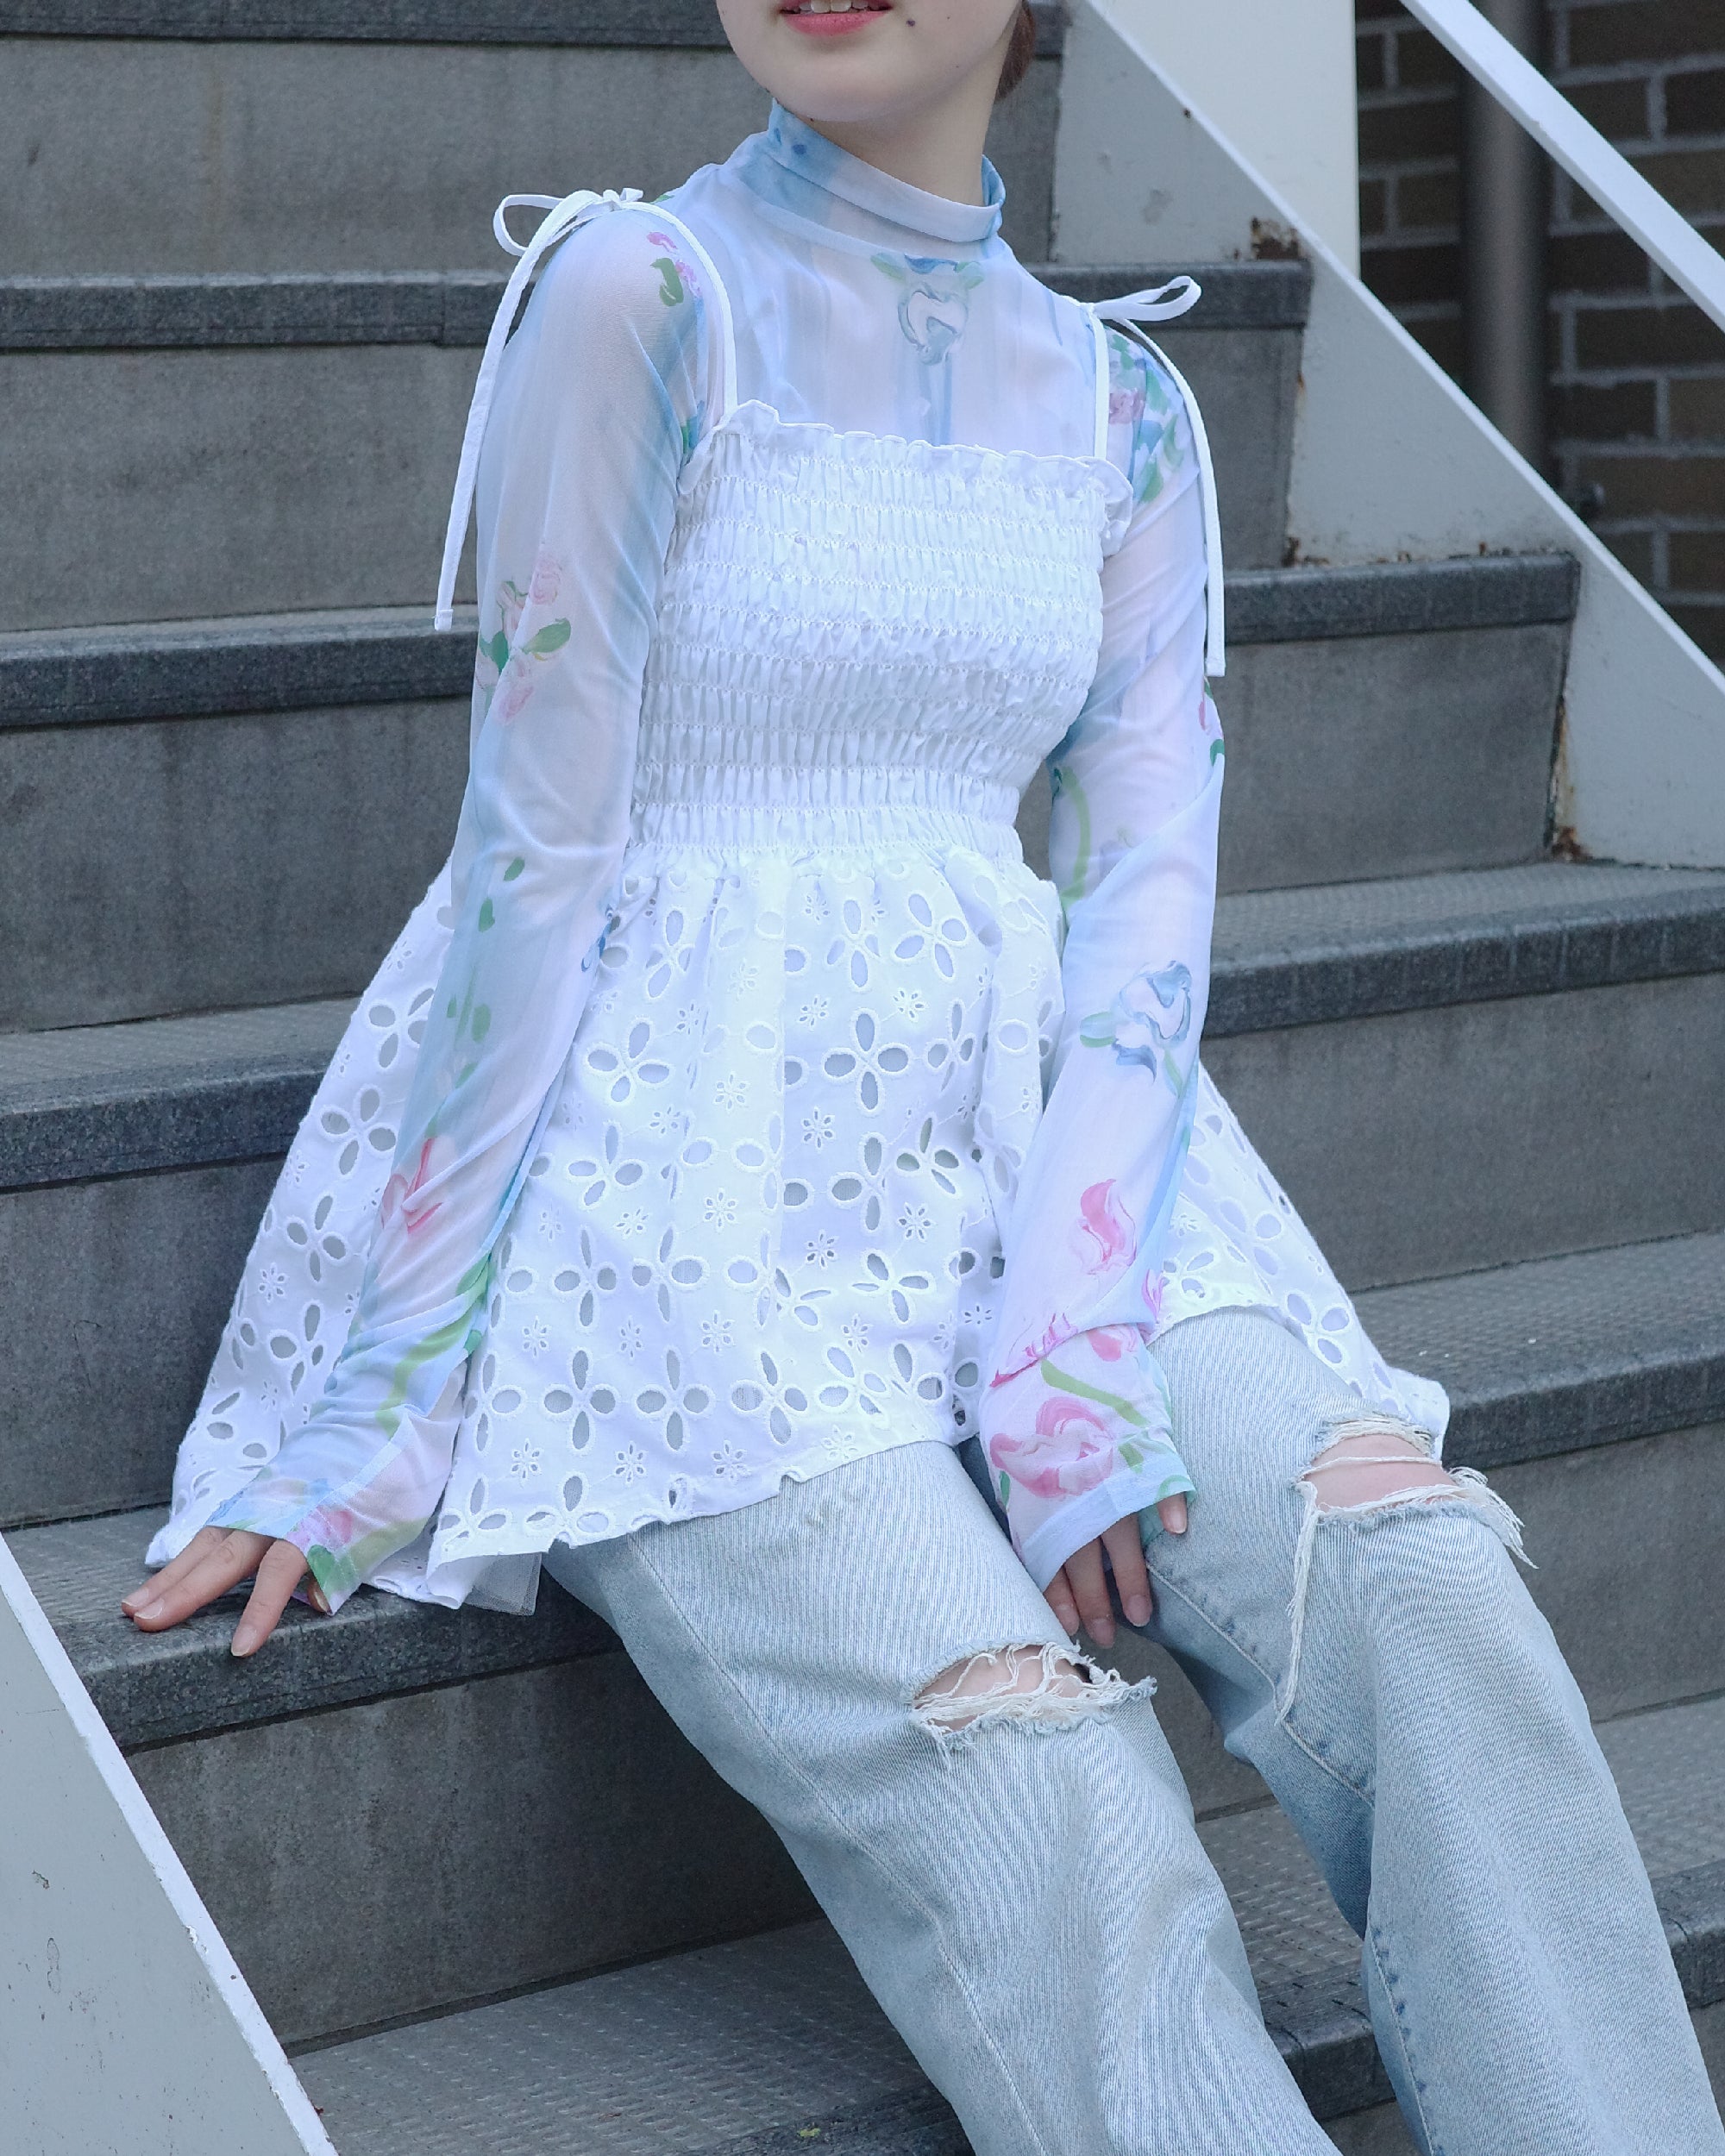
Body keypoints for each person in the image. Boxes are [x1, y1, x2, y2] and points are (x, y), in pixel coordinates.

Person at [123, 3, 1722, 2149]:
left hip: (1034, 1140)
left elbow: (1143, 905)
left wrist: (1068, 1357)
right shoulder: (639, 294)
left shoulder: (1128, 405)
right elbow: (533, 853)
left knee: (1415, 1572)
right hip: (673, 1168)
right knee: (1036, 1769)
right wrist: (375, 1400)